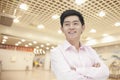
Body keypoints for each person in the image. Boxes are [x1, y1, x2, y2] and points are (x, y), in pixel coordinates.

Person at [50, 9, 109, 80]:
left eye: (75, 23)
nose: (71, 27)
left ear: (83, 28)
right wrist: (93, 71)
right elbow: (66, 77)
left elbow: (105, 72)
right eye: (67, 24)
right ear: (62, 29)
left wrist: (78, 70)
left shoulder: (90, 50)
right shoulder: (56, 52)